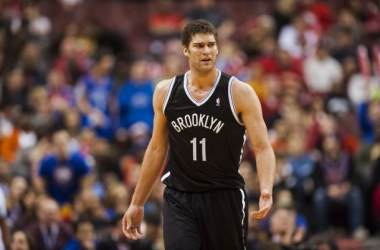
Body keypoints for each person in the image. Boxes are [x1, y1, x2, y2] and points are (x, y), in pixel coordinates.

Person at [122, 19, 276, 250]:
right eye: (199, 46)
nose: (207, 51)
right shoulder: (166, 92)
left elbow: (263, 147)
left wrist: (266, 188)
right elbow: (156, 148)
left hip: (224, 197)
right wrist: (137, 203)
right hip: (180, 197)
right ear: (185, 50)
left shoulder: (239, 92)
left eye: (211, 45)